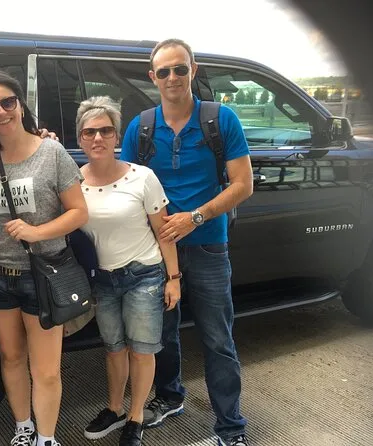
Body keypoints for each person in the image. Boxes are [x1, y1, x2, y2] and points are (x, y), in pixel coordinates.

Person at [120, 39, 254, 446]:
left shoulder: (220, 119)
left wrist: (195, 217)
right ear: (153, 77)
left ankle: (230, 428)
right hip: (158, 251)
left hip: (209, 245)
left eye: (180, 69)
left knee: (218, 339)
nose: (173, 77)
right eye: (164, 71)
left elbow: (243, 185)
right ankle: (170, 396)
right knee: (161, 333)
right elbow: (126, 184)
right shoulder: (141, 127)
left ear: (193, 70)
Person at [0, 68, 88, 446]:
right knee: (11, 357)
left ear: (20, 105)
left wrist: (38, 232)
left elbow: (78, 212)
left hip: (44, 274)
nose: (1, 112)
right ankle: (23, 428)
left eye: (8, 102)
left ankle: (46, 438)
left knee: (46, 369)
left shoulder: (51, 152)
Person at [76, 96, 181, 446]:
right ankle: (115, 408)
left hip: (144, 275)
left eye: (106, 130)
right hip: (103, 280)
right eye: (89, 132)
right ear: (80, 138)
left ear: (117, 136)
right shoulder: (73, 182)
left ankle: (135, 418)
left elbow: (164, 231)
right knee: (113, 349)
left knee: (142, 350)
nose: (98, 138)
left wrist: (174, 279)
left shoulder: (142, 178)